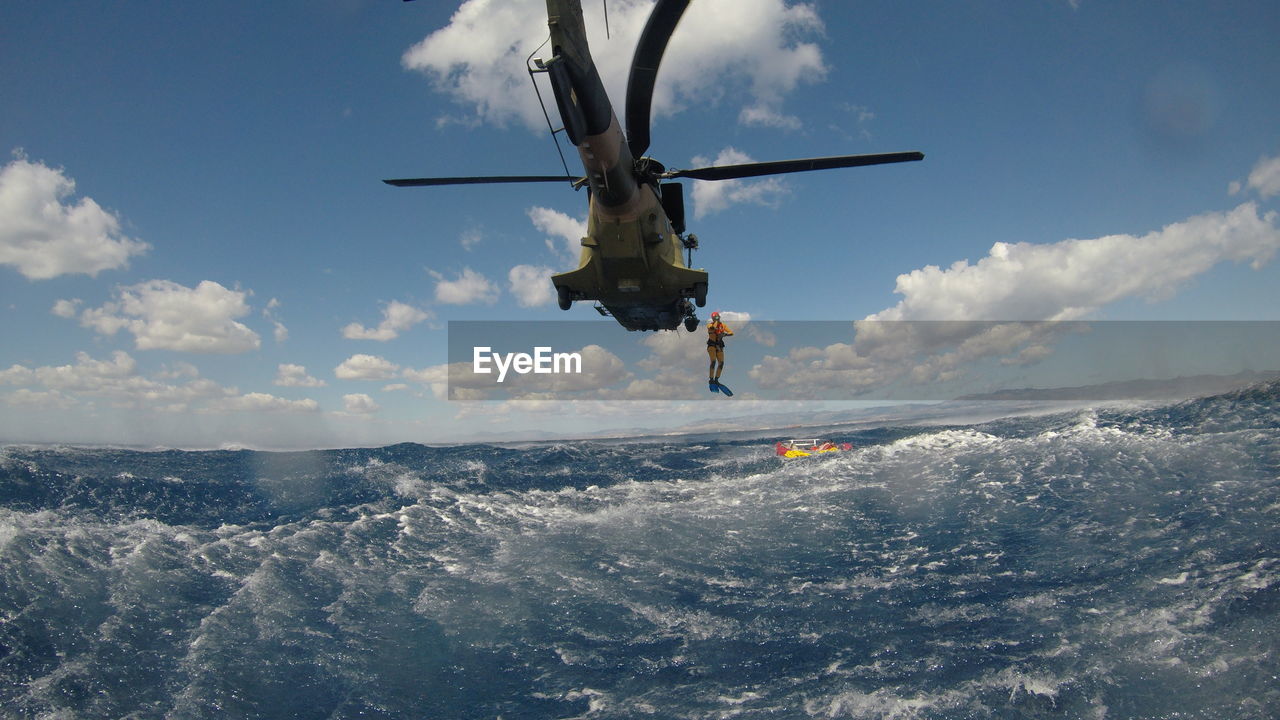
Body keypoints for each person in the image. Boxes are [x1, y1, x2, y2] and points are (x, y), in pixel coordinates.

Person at [706, 311, 733, 383]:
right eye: (716, 317)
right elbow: (713, 328)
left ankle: (717, 379)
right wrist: (716, 321)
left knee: (721, 363)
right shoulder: (710, 325)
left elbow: (731, 332)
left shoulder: (723, 325)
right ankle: (711, 379)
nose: (718, 319)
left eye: (718, 317)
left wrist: (725, 334)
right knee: (713, 361)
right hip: (711, 345)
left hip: (719, 345)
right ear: (713, 319)